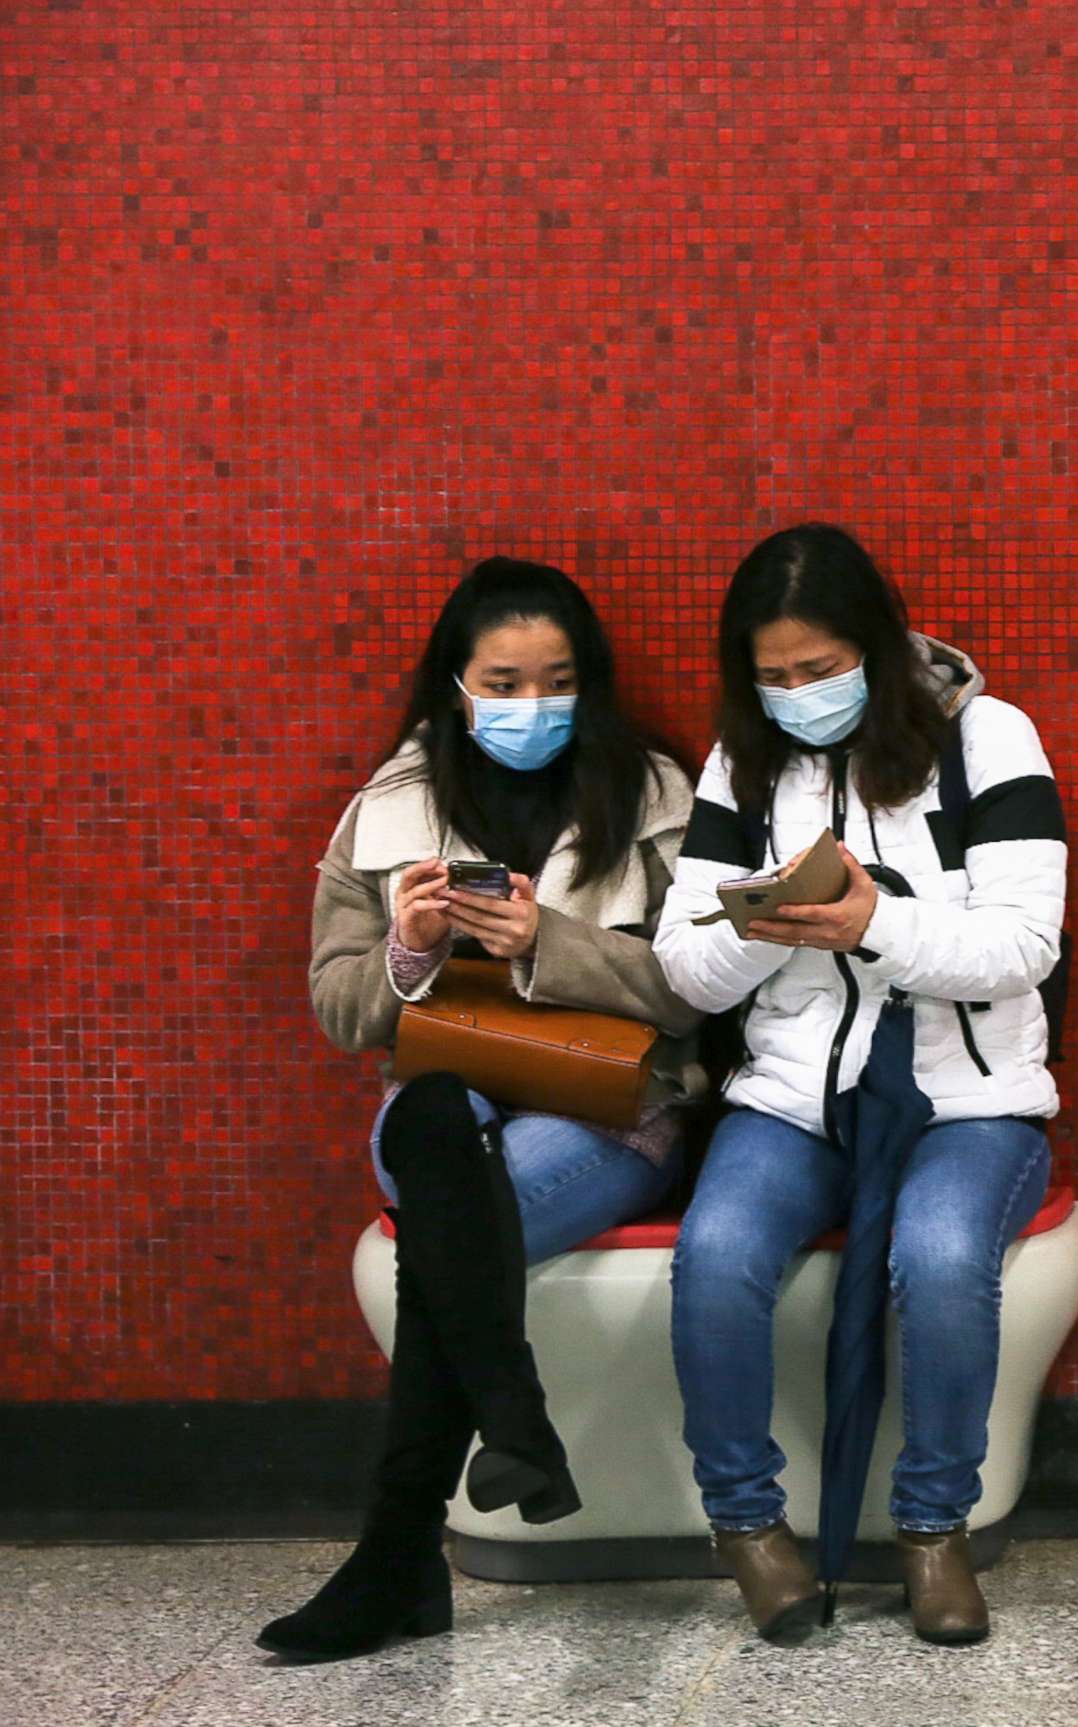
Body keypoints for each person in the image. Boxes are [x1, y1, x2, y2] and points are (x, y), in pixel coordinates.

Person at [258, 558, 705, 1663]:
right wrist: (409, 949)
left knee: (447, 1224)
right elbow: (338, 1005)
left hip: (608, 1107)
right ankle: (507, 1428)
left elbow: (707, 988)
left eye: (554, 680)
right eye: (502, 682)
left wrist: (549, 945)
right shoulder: (390, 806)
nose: (529, 705)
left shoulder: (656, 794)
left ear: (588, 681)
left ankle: (401, 1549)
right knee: (431, 1128)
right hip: (446, 1090)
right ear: (455, 686)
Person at [655, 524, 1065, 1647]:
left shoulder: (987, 737)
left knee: (937, 1258)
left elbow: (1025, 944)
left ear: (878, 648)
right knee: (718, 1254)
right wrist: (766, 926)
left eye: (822, 668)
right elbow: (682, 964)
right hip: (797, 1091)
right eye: (775, 676)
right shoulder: (744, 762)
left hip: (970, 1100)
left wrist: (874, 921)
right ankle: (747, 1524)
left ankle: (936, 1528)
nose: (800, 695)